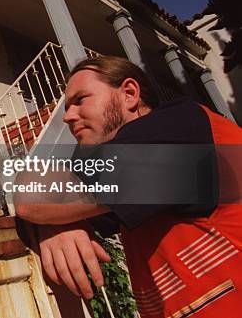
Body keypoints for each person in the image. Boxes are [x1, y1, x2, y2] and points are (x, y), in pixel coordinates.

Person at [14, 56, 242, 318]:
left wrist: (48, 210)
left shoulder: (178, 129)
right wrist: (54, 223)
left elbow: (30, 198)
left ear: (130, 94)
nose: (67, 116)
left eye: (81, 100)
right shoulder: (133, 190)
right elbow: (36, 198)